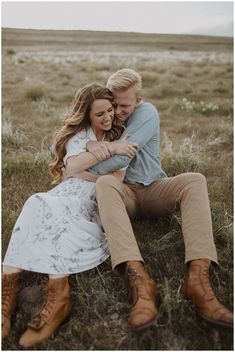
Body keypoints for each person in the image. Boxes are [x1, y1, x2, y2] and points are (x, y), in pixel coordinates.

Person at [73, 68, 233, 331]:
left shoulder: (146, 113)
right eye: (114, 104)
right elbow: (72, 135)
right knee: (105, 184)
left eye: (124, 105)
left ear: (138, 100)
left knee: (195, 179)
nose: (118, 111)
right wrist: (87, 147)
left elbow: (123, 157)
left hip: (153, 189)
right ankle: (139, 282)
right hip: (124, 195)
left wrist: (81, 168)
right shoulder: (106, 112)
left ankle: (199, 280)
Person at [2, 83, 138, 348]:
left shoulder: (121, 135)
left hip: (97, 197)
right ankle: (7, 292)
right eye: (100, 114)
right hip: (68, 191)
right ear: (87, 116)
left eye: (110, 110)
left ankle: (58, 296)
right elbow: (72, 167)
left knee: (59, 213)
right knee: (35, 202)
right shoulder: (82, 137)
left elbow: (115, 177)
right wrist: (106, 152)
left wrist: (89, 162)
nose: (108, 117)